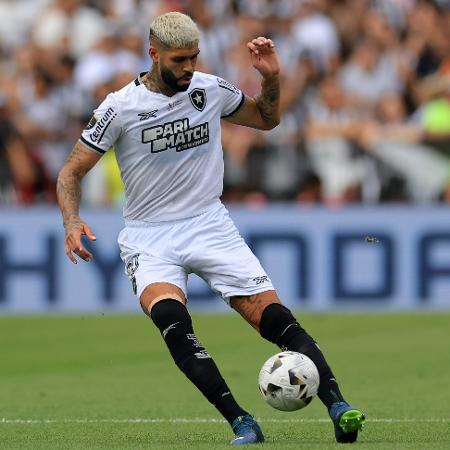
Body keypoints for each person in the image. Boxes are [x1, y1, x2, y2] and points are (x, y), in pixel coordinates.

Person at [56, 12, 365, 445]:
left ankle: (338, 405)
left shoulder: (209, 89)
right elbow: (70, 171)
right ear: (154, 54)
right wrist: (71, 220)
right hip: (150, 235)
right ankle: (241, 421)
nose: (188, 68)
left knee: (273, 317)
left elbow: (267, 118)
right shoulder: (119, 107)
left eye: (194, 58)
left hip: (209, 223)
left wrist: (271, 79)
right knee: (171, 319)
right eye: (179, 60)